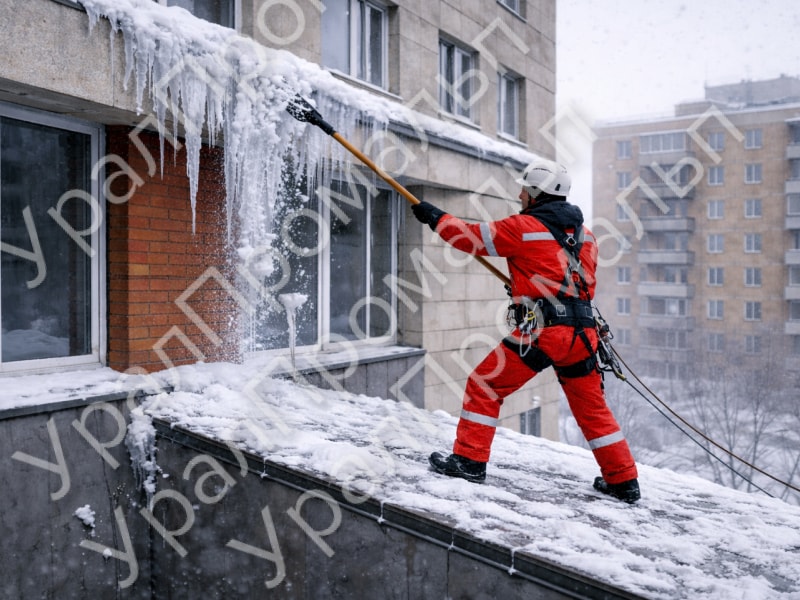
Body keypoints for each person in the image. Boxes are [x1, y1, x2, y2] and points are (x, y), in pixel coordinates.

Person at [411, 159, 640, 503]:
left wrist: (434, 216)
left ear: (535, 193)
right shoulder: (586, 236)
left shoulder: (523, 227)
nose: (519, 194)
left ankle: (469, 461)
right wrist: (527, 285)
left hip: (546, 331)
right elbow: (574, 283)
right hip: (583, 334)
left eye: (524, 189)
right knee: (592, 409)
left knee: (485, 384)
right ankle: (624, 481)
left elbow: (469, 237)